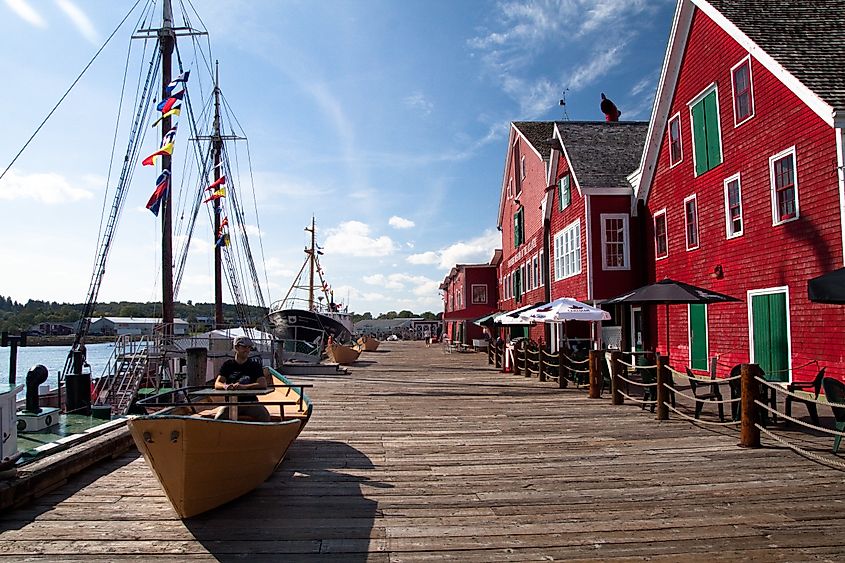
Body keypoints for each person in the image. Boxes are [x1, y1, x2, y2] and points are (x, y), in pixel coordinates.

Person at [214, 336, 270, 422]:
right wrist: (226, 386)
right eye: (244, 347)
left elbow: (263, 384)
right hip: (230, 404)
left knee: (264, 415)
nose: (247, 350)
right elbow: (218, 383)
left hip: (250, 403)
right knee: (218, 418)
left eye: (249, 347)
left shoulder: (254, 365)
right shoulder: (227, 365)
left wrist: (244, 387)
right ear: (236, 347)